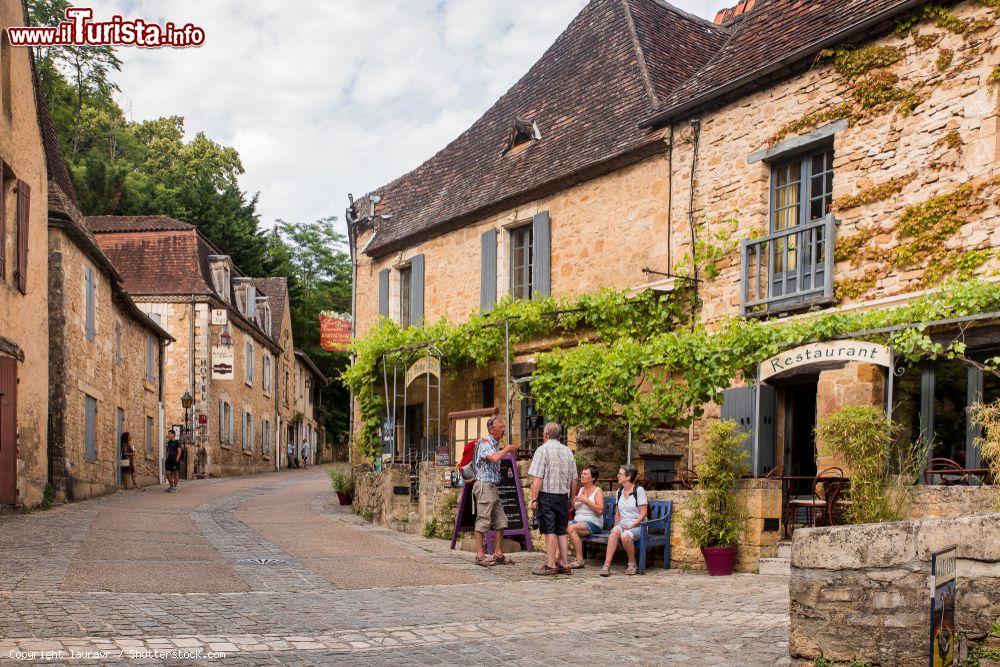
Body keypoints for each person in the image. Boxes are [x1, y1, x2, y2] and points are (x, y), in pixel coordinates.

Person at [528, 422, 578, 576]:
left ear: (546, 434)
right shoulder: (568, 451)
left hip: (547, 496)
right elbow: (574, 479)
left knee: (550, 530)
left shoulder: (542, 450)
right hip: (563, 497)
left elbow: (538, 477)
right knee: (561, 530)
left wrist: (533, 499)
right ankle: (564, 563)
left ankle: (550, 565)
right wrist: (572, 498)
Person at [472, 414, 519, 567]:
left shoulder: (494, 444)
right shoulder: (485, 443)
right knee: (483, 521)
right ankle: (480, 556)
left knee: (501, 521)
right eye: (500, 427)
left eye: (503, 427)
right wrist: (507, 449)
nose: (503, 430)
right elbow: (493, 458)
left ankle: (498, 554)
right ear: (492, 429)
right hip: (484, 486)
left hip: (493, 486)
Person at [600, 464, 648, 576]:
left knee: (625, 536)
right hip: (624, 524)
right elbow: (617, 514)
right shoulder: (619, 492)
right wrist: (617, 527)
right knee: (615, 531)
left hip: (639, 526)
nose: (617, 475)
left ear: (628, 476)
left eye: (620, 474)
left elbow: (643, 514)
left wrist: (632, 526)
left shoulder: (639, 491)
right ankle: (606, 565)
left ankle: (632, 563)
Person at [567, 466, 604, 568]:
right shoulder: (582, 489)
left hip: (594, 523)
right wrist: (575, 502)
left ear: (592, 478)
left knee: (571, 529)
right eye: (582, 473)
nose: (582, 476)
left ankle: (579, 560)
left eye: (585, 474)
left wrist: (586, 500)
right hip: (579, 521)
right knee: (560, 526)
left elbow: (600, 510)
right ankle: (559, 558)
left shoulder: (598, 491)